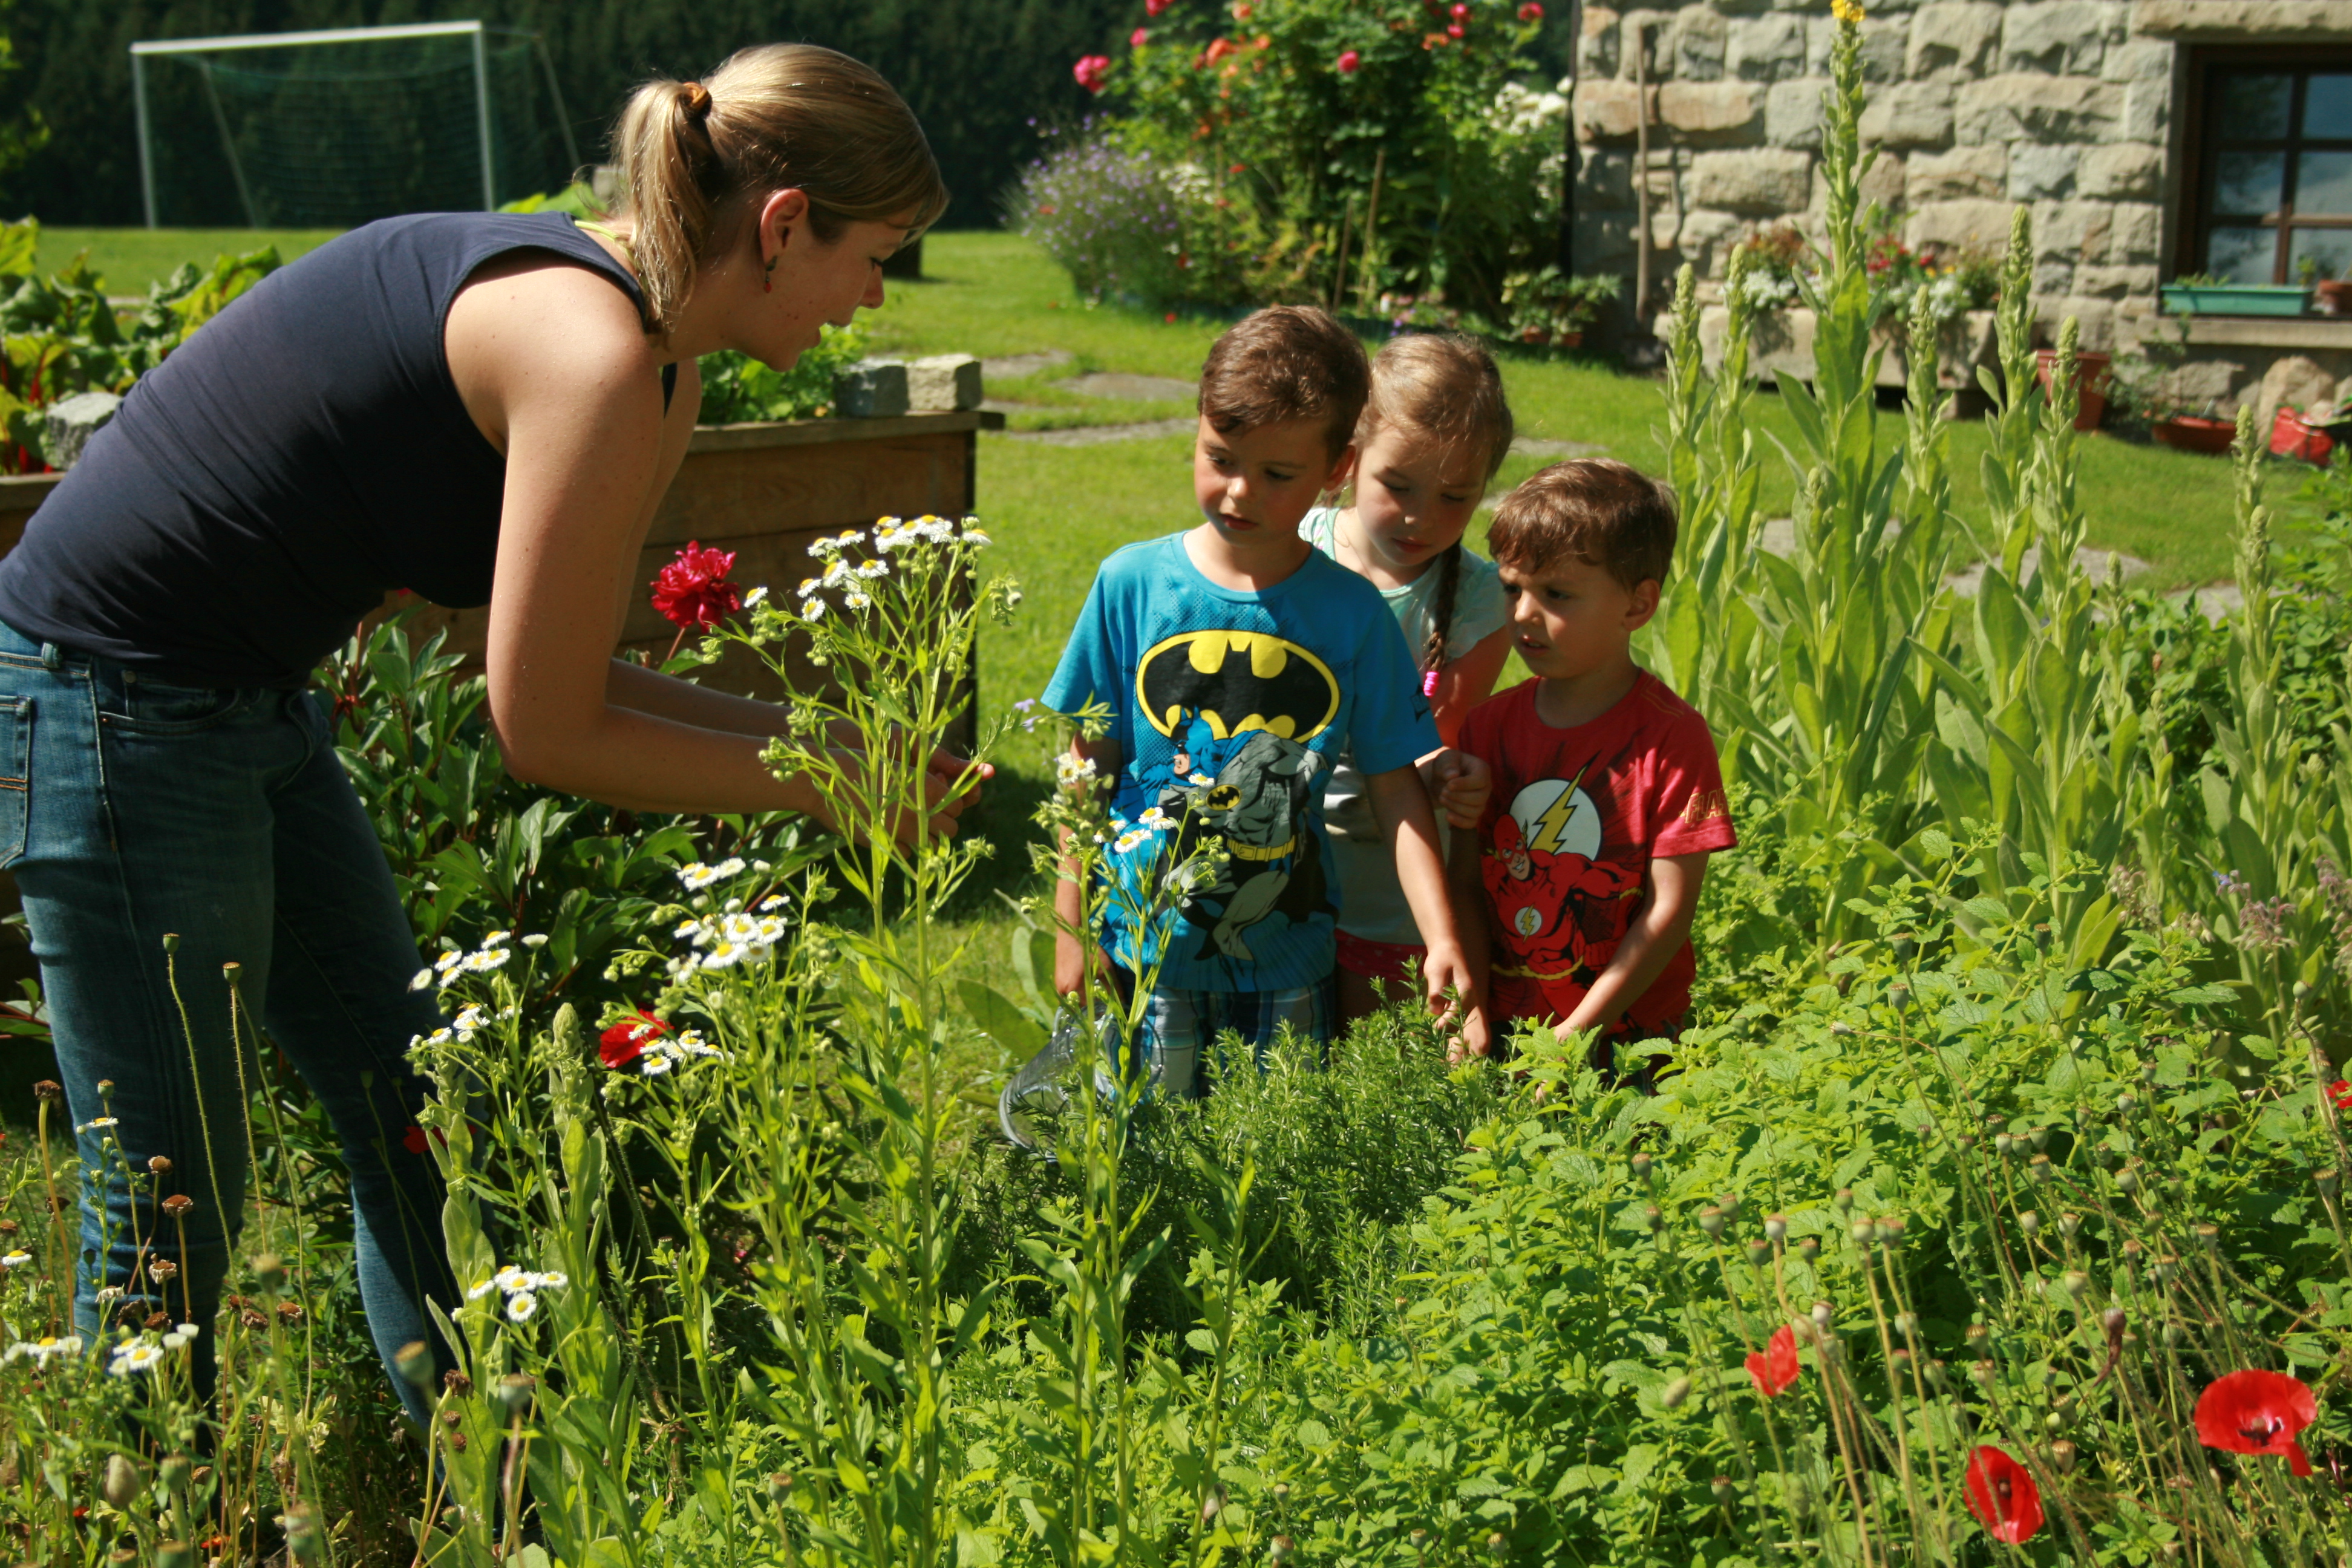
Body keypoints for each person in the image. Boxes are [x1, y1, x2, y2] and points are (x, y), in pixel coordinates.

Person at [0, 43, 977, 1426]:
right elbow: (546, 732)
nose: (876, 297)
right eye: (879, 256)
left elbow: (579, 677)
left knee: (423, 1131)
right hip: (105, 701)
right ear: (779, 226)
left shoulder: (654, 360)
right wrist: (827, 789)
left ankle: (501, 1502)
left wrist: (823, 741)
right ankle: (141, 1517)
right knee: (167, 1216)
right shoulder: (586, 352)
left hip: (246, 699)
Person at [1045, 305, 1468, 1097]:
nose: (1239, 492)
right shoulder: (1130, 585)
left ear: (1336, 468)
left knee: (1269, 1168)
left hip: (1288, 956)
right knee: (1144, 1159)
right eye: (1219, 457)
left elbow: (1396, 790)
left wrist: (1440, 935)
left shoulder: (1351, 616)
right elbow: (1085, 769)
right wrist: (1072, 923)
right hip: (1143, 956)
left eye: (1276, 474)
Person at [1448, 460, 1737, 1079]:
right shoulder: (1485, 727)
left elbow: (1667, 916)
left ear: (1637, 605)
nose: (1524, 613)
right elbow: (1467, 887)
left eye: (1556, 594)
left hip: (1634, 1044)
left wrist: (1574, 1041)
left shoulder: (1673, 738)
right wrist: (1471, 1005)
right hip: (1506, 1034)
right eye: (1512, 587)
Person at [1298, 332, 1516, 1024]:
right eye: (1398, 486)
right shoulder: (1296, 545)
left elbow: (1428, 740)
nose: (1422, 517)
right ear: (1349, 461)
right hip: (1281, 847)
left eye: (1456, 496)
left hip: (1391, 875)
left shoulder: (1482, 599)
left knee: (1368, 1047)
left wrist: (1451, 773)